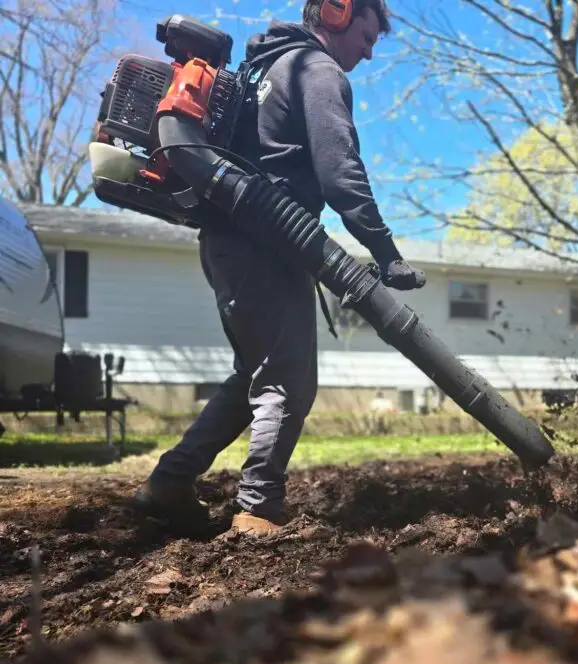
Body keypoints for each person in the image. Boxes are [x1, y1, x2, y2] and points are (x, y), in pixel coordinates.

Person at [133, 0, 424, 537]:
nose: (368, 49)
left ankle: (169, 482)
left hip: (226, 243)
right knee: (287, 381)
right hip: (265, 243)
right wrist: (385, 252)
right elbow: (340, 172)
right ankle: (257, 510)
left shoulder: (263, 69)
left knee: (254, 374)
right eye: (367, 34)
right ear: (338, 16)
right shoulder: (315, 69)